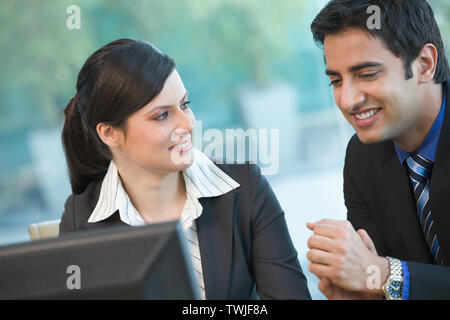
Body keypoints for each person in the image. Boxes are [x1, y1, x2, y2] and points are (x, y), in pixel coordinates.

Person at [59, 38, 311, 300]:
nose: (187, 124)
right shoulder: (80, 219)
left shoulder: (245, 187)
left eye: (184, 105)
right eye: (162, 115)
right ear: (110, 133)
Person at [306, 0, 450, 300]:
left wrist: (386, 275)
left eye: (367, 74)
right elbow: (378, 283)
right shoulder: (361, 157)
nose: (347, 100)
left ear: (424, 64)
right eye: (336, 80)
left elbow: (382, 273)